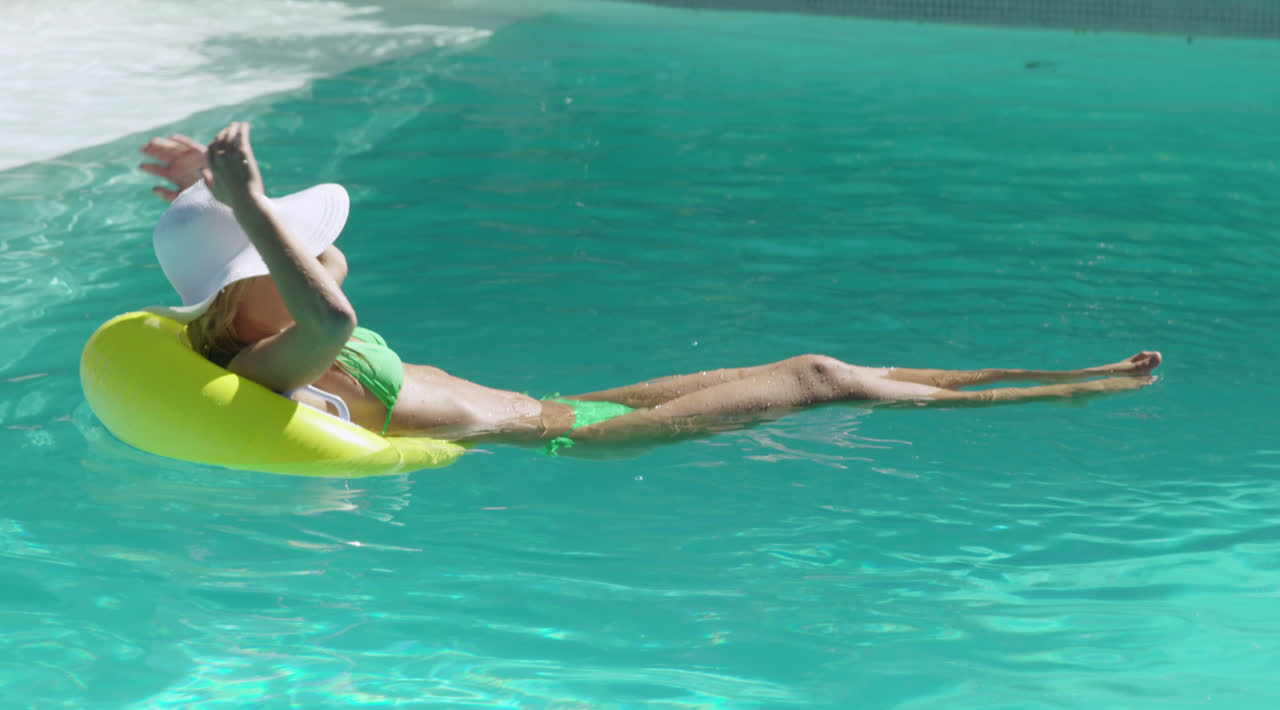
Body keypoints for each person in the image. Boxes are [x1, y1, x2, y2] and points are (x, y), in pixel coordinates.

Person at [140, 122, 1161, 458]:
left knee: (811, 360)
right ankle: (1066, 391)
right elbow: (333, 310)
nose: (316, 259)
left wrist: (209, 199)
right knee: (814, 375)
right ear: (239, 304)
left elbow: (326, 271)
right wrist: (242, 197)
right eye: (280, 257)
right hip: (566, 439)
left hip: (574, 398)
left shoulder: (282, 303)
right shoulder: (277, 357)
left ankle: (1041, 371)